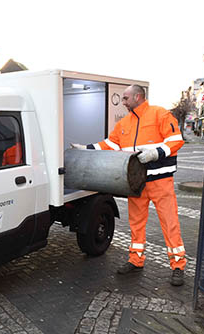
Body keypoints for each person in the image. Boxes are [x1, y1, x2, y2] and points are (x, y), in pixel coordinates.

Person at [71, 85, 186, 286]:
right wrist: (86, 149)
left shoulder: (160, 114)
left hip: (160, 180)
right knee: (136, 222)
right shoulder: (124, 123)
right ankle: (135, 259)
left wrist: (155, 153)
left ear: (137, 97)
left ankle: (178, 266)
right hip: (136, 182)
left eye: (125, 98)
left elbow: (176, 140)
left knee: (170, 223)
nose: (122, 102)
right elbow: (109, 144)